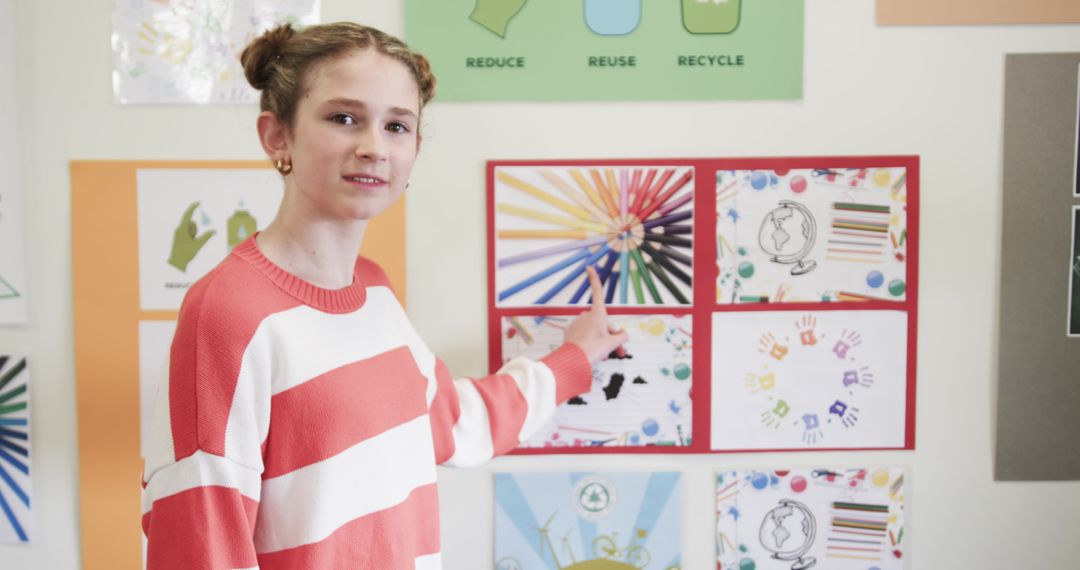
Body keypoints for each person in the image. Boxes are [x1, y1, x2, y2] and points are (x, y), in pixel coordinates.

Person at [139, 21, 628, 569]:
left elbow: (452, 423)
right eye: (343, 118)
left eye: (397, 126)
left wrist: (574, 359)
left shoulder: (373, 291)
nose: (374, 147)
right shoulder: (227, 314)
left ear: (415, 148)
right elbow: (199, 544)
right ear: (278, 135)